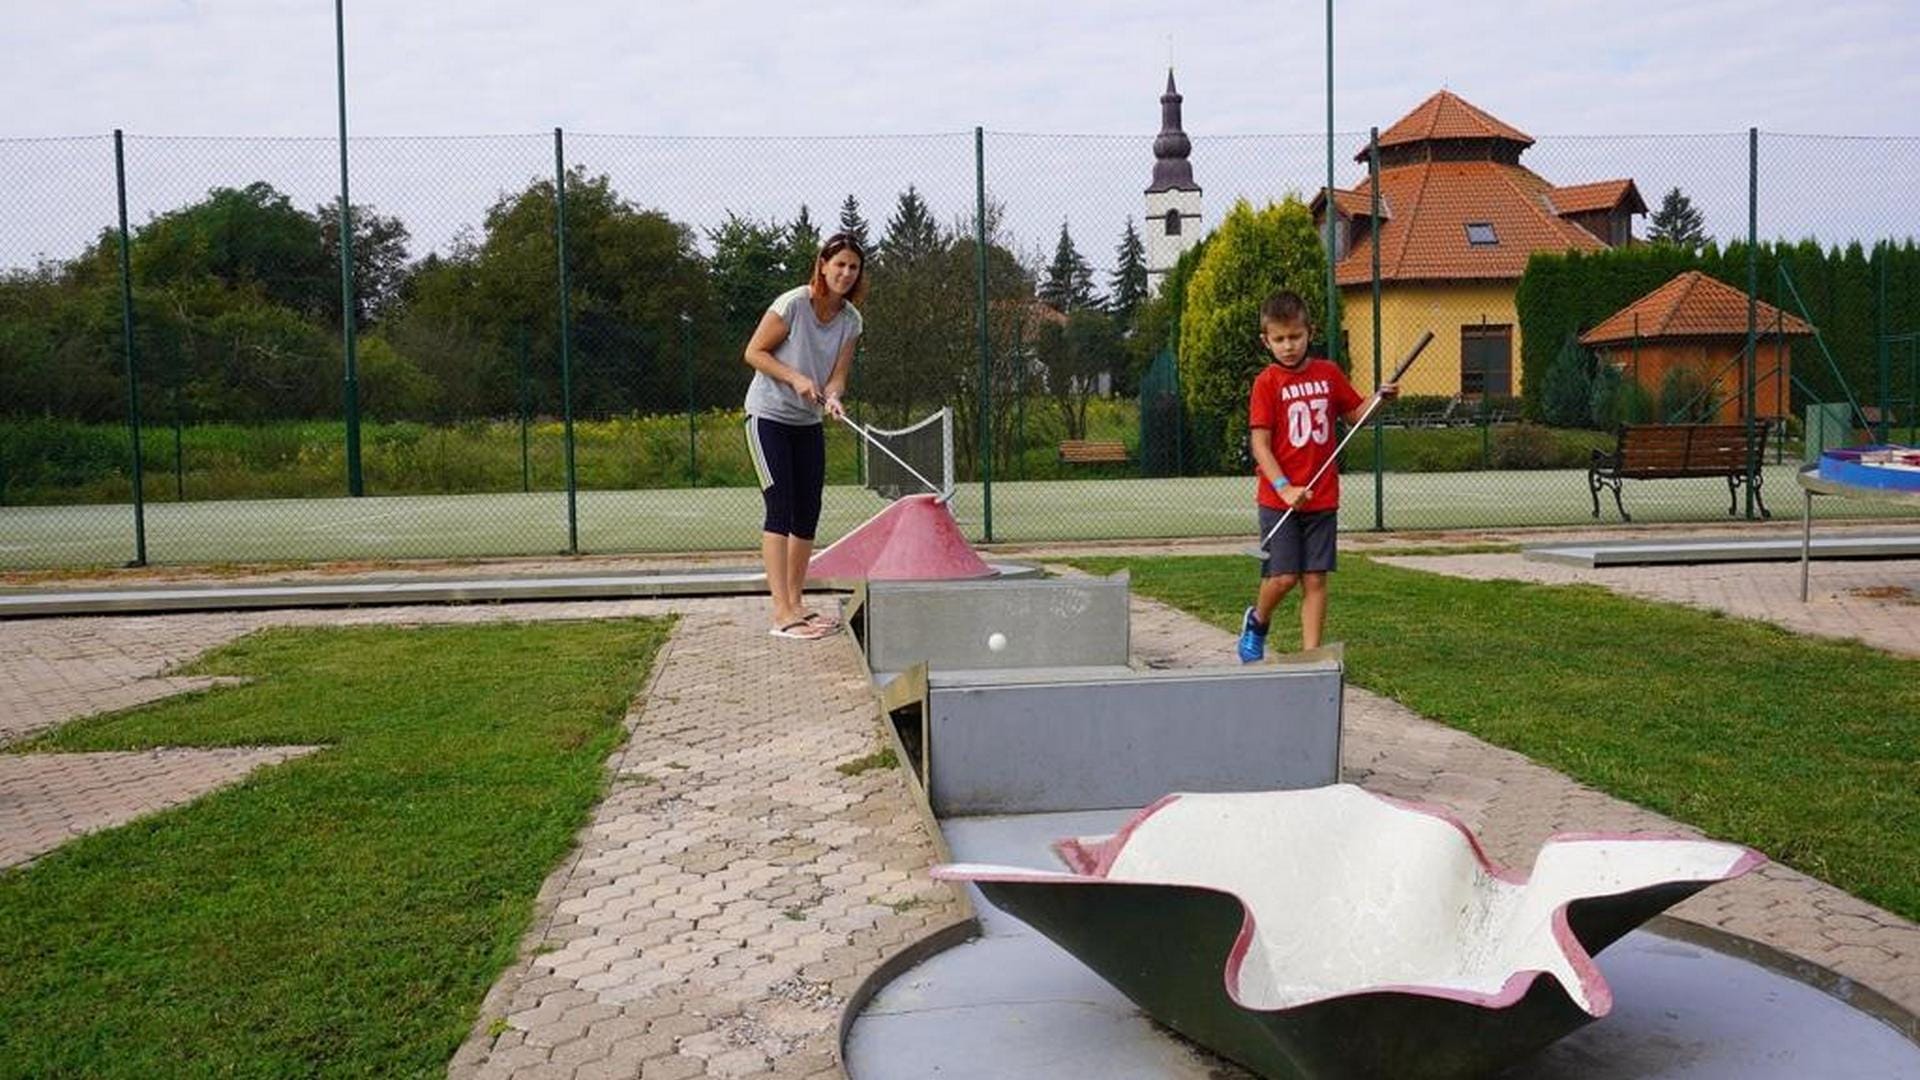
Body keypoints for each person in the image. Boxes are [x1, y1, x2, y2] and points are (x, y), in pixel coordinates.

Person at [1237, 289, 1398, 662]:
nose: (1288, 346)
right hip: (1279, 500)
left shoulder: (1328, 373)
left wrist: (1379, 399)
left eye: (1295, 336)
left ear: (1310, 332)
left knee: (1314, 578)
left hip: (1321, 496)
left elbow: (1355, 416)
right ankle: (1257, 622)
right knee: (1283, 578)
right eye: (1279, 339)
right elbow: (1260, 444)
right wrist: (1284, 487)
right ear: (1266, 341)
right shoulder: (1267, 382)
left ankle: (1311, 659)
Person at [742, 232, 867, 640]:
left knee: (807, 511)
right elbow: (754, 352)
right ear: (823, 266)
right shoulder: (793, 304)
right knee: (779, 507)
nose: (846, 273)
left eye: (853, 267)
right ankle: (782, 614)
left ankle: (796, 604)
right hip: (768, 416)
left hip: (807, 422)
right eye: (839, 264)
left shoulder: (851, 321)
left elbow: (838, 377)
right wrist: (795, 378)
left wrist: (834, 396)